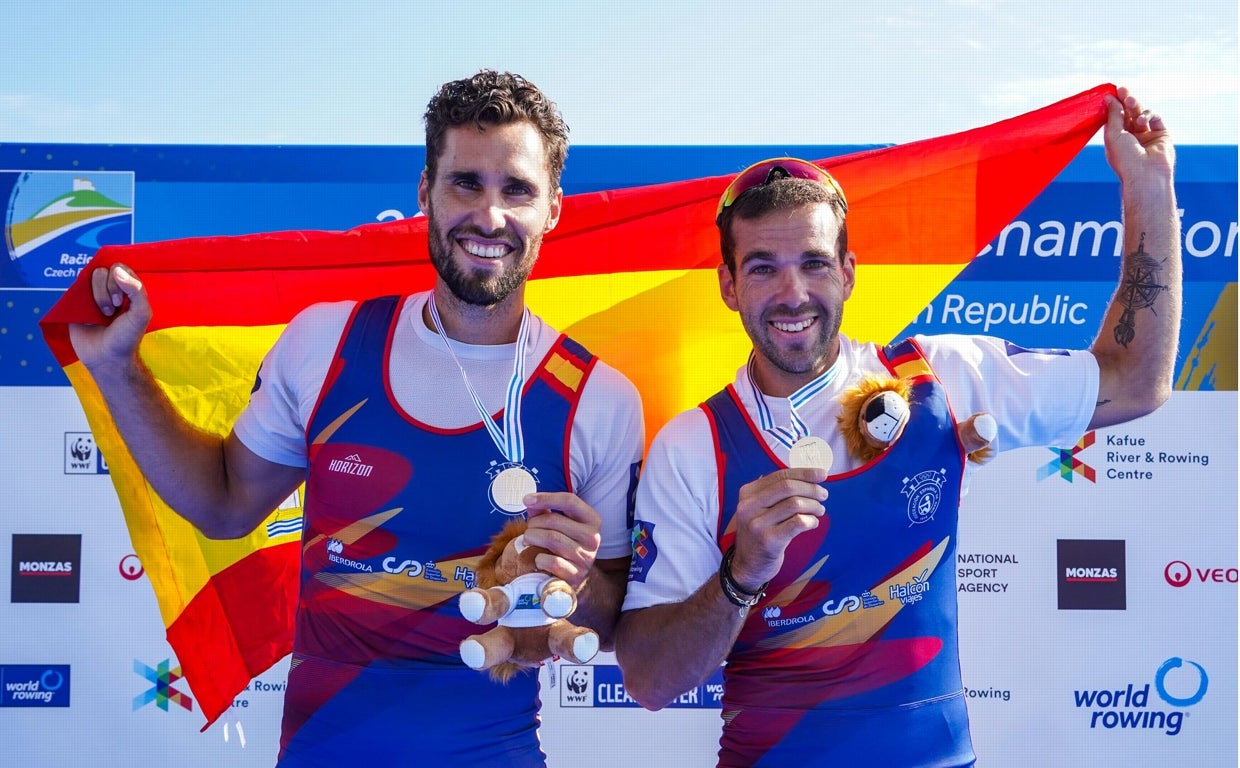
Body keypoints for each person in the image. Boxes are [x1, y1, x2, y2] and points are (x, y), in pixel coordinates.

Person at [68, 70, 644, 767]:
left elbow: (608, 621)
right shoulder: (324, 344)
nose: (489, 217)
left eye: (516, 190)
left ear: (552, 209)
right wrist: (116, 367)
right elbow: (222, 506)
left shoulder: (599, 399)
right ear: (425, 192)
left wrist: (577, 581)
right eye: (466, 183)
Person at [614, 86, 1178, 767]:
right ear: (729, 287)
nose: (793, 294)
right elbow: (649, 680)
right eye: (763, 268)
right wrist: (741, 574)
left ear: (849, 274)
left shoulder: (943, 377)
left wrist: (1148, 192)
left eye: (814, 263)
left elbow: (1134, 381)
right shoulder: (693, 447)